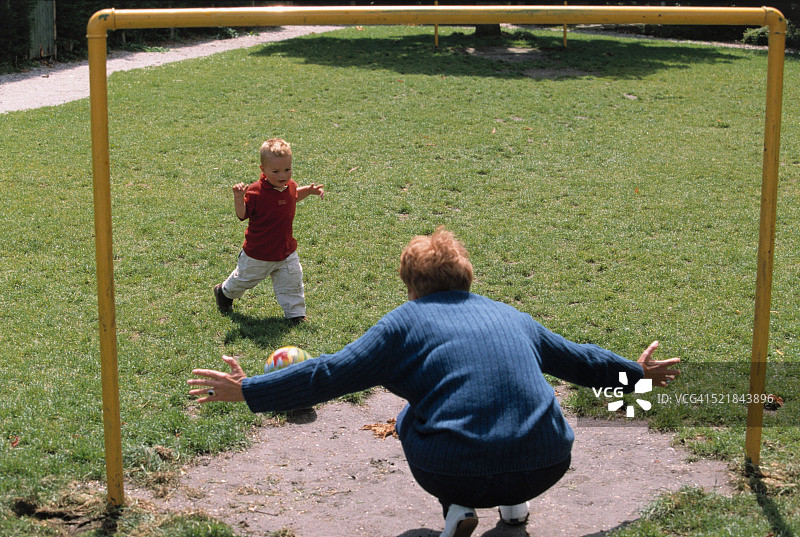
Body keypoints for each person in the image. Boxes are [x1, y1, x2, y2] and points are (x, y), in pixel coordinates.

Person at [191, 227, 680, 537]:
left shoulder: (401, 324)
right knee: (505, 405)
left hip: (456, 470)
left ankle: (458, 507)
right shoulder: (512, 315)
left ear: (409, 286)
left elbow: (329, 374)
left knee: (408, 415)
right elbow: (580, 361)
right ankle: (513, 508)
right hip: (548, 460)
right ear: (468, 278)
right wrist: (636, 375)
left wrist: (250, 389)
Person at [213, 138, 324, 322]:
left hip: (285, 250)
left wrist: (309, 191)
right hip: (258, 254)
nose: (283, 175)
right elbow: (242, 214)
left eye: (287, 169)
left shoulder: (290, 185)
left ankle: (295, 314)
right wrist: (238, 198)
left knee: (293, 281)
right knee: (243, 280)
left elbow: (293, 196)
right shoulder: (256, 191)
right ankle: (224, 292)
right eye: (276, 171)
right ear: (262, 170)